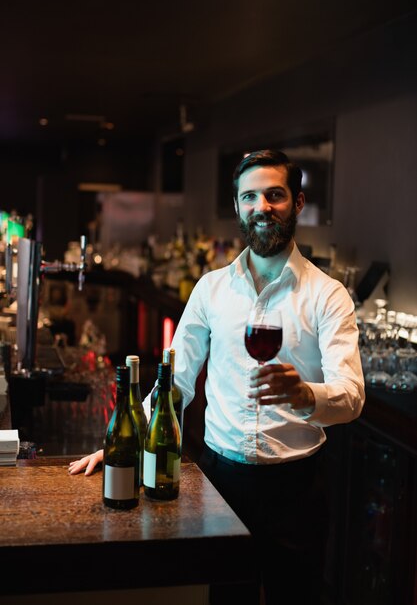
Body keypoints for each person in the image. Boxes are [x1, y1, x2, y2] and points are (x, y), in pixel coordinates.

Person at [69, 149, 365, 605]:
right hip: (220, 485)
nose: (261, 206)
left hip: (297, 489)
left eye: (275, 195)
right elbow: (176, 381)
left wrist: (305, 394)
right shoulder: (211, 288)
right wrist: (120, 445)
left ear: (298, 203)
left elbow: (351, 397)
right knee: (225, 598)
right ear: (237, 207)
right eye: (250, 197)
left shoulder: (329, 295)